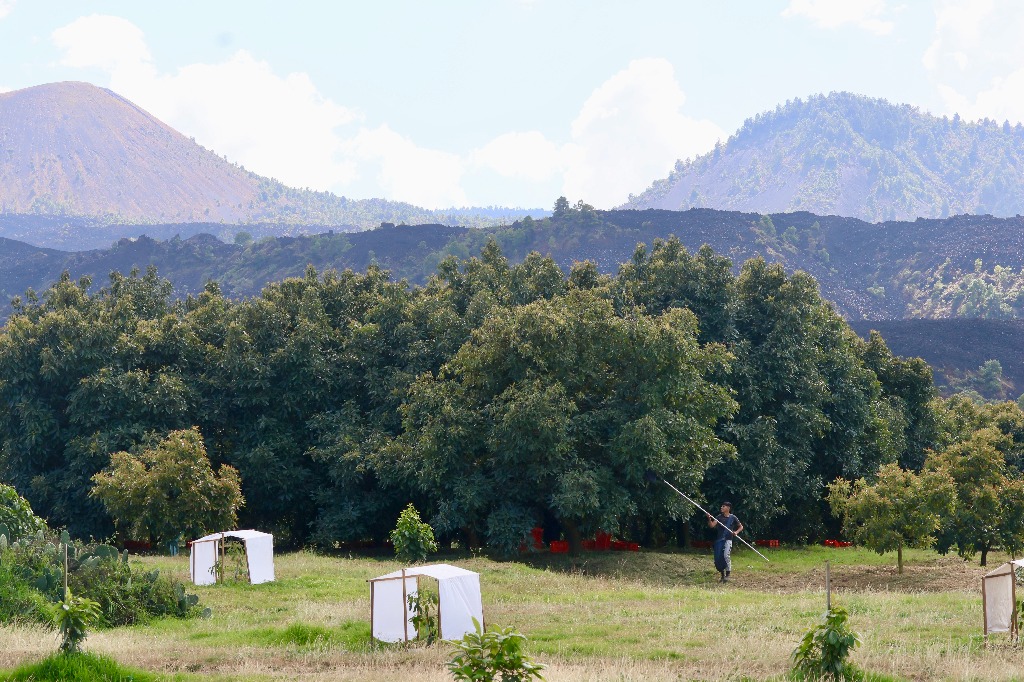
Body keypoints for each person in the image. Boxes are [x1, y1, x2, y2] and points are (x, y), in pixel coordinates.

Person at [707, 501, 743, 582]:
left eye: (723, 506)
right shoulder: (719, 517)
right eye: (721, 506)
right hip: (720, 540)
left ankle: (728, 574)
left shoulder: (733, 517)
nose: (721, 508)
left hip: (728, 540)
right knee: (719, 557)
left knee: (726, 556)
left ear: (728, 508)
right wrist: (709, 518)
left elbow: (741, 527)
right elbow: (712, 525)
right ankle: (722, 575)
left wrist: (736, 532)